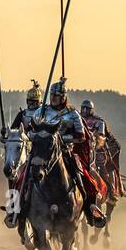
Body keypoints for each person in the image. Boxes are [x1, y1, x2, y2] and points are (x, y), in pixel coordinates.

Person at [27, 80, 107, 226]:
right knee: (24, 174)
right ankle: (19, 209)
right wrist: (37, 136)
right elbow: (30, 130)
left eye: (56, 96)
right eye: (51, 96)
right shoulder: (41, 111)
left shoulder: (72, 113)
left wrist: (61, 139)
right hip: (43, 151)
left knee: (82, 176)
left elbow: (81, 135)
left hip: (65, 152)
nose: (53, 99)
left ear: (63, 97)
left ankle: (90, 209)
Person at [81, 98, 123, 199]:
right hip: (83, 146)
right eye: (83, 108)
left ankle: (110, 190)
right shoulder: (78, 118)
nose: (84, 111)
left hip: (100, 147)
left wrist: (94, 144)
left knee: (100, 163)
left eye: (87, 109)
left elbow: (101, 137)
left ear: (91, 110)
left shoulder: (99, 122)